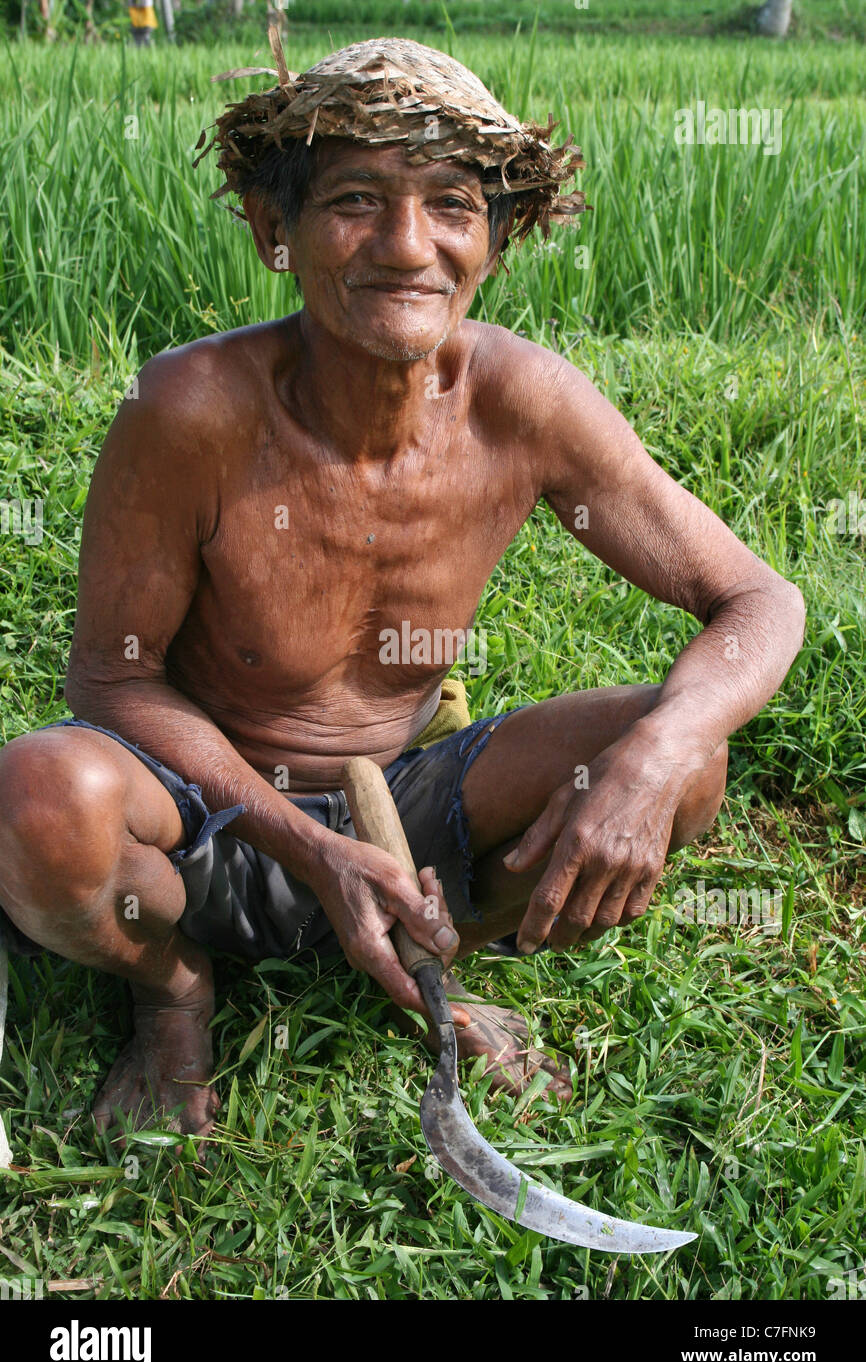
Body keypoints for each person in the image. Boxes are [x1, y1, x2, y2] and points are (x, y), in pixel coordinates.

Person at [0, 36, 804, 1141]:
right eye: (355, 201)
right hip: (209, 811)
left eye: (450, 206)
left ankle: (434, 954)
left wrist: (656, 756)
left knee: (690, 760)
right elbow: (111, 679)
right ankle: (173, 987)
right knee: (39, 798)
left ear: (496, 239)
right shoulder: (189, 410)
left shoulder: (521, 403)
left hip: (409, 802)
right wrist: (310, 846)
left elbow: (759, 599)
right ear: (271, 230)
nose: (404, 245)